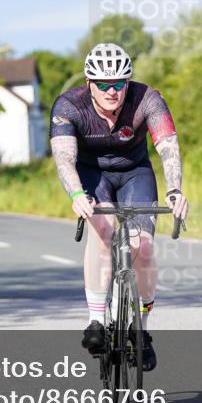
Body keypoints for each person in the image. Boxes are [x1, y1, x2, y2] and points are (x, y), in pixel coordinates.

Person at [49, 43, 189, 372]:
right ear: (89, 83)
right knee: (103, 231)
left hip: (134, 173)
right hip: (91, 174)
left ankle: (141, 328)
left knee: (144, 247)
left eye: (119, 83)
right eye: (104, 85)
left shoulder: (147, 100)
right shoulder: (69, 105)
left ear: (128, 81)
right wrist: (76, 195)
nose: (113, 91)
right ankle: (97, 321)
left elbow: (169, 147)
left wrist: (174, 189)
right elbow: (64, 159)